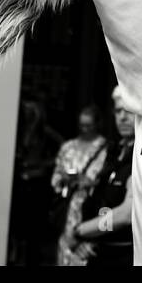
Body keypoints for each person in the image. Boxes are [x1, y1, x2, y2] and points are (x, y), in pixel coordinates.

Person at [65, 88, 135, 267]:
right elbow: (105, 203)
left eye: (128, 110)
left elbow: (124, 215)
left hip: (121, 254)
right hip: (98, 249)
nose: (123, 117)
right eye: (118, 111)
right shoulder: (114, 150)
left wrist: (82, 231)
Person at [52, 105, 106, 267]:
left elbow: (105, 186)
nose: (85, 129)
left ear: (97, 124)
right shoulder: (68, 147)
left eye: (88, 125)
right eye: (82, 125)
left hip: (89, 211)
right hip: (67, 209)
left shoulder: (104, 148)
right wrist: (64, 179)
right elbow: (55, 178)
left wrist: (88, 181)